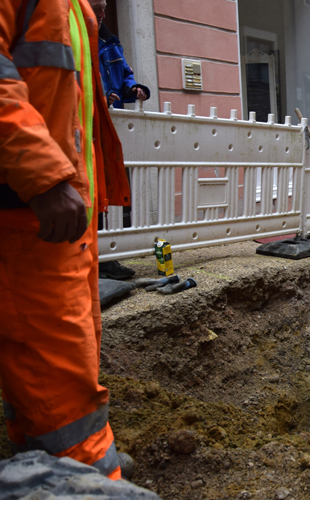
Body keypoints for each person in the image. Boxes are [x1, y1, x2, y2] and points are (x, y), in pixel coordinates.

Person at [0, 0, 130, 479]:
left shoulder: (73, 7)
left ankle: (47, 471)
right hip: (24, 214)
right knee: (57, 367)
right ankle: (90, 482)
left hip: (56, 217)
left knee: (68, 356)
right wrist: (46, 178)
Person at [87, 0, 150, 280]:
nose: (102, 14)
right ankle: (93, 260)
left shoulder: (110, 43)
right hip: (84, 129)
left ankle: (105, 259)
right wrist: (101, 98)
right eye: (96, 7)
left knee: (108, 192)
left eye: (103, 8)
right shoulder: (69, 34)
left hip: (109, 130)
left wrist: (134, 89)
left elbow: (123, 77)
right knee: (91, 194)